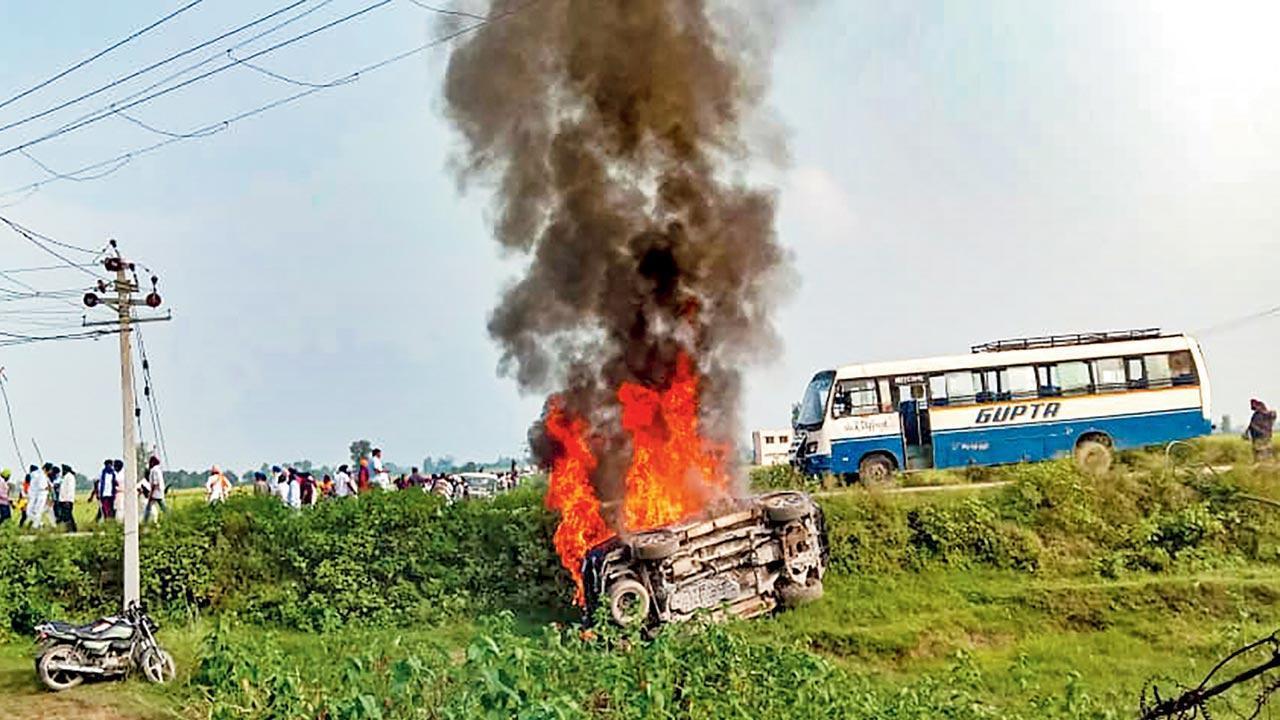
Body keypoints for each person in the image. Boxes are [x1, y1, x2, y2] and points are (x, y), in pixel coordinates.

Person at [26, 463, 50, 530]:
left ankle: (37, 526)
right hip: (37, 496)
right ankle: (39, 524)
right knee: (33, 512)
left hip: (37, 497)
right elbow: (42, 486)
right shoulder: (40, 475)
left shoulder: (40, 475)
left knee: (35, 512)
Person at [144, 456, 167, 523]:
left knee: (148, 507)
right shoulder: (158, 469)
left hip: (156, 492)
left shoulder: (153, 470)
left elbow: (155, 483)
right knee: (163, 506)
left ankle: (145, 521)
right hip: (159, 491)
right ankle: (169, 517)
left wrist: (151, 493)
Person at [55, 464, 77, 532]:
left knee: (67, 516)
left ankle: (71, 529)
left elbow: (70, 489)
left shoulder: (69, 477)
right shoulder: (65, 477)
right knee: (68, 515)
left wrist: (67, 500)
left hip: (67, 500)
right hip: (63, 499)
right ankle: (72, 529)